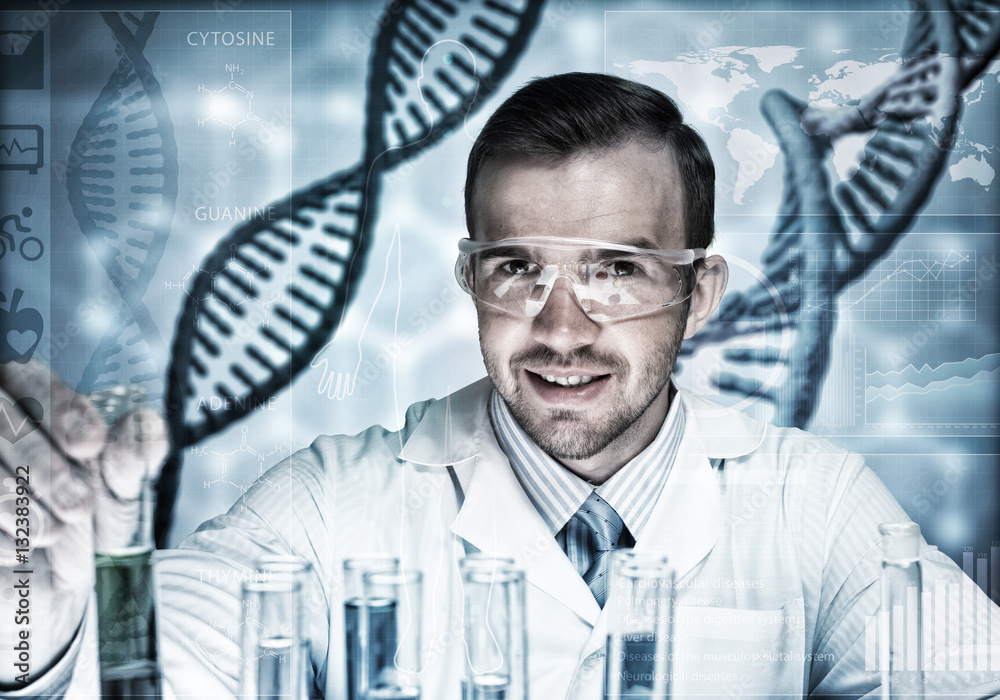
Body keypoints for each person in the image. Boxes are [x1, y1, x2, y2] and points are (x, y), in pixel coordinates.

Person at [3, 72, 998, 699]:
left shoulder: (812, 500)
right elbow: (156, 669)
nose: (561, 329)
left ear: (698, 294)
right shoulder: (332, 500)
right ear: (469, 279)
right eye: (518, 269)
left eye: (615, 270)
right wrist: (41, 627)